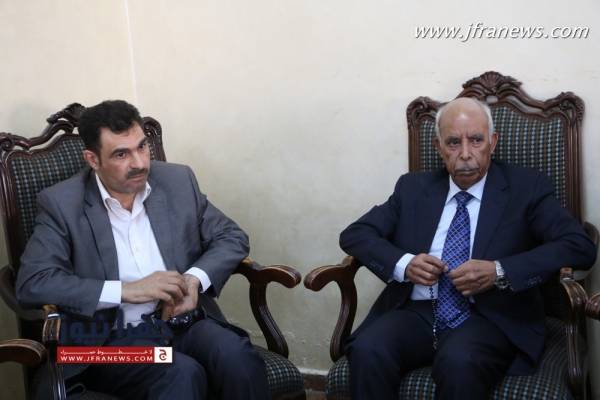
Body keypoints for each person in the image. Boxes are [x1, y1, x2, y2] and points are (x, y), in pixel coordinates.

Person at [339, 97, 597, 400]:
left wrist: (499, 271)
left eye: (476, 140)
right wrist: (405, 264)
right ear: (438, 147)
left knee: (460, 361)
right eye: (453, 142)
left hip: (490, 316)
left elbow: (578, 246)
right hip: (418, 312)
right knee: (368, 349)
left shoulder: (526, 188)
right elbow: (356, 234)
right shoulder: (413, 188)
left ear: (492, 142)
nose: (465, 154)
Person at [16, 100, 270, 400]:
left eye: (142, 147)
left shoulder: (177, 180)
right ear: (93, 159)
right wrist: (126, 291)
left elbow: (231, 236)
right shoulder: (61, 204)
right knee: (179, 372)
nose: (139, 163)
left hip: (179, 322)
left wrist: (193, 280)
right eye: (121, 154)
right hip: (108, 343)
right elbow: (34, 282)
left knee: (235, 357)